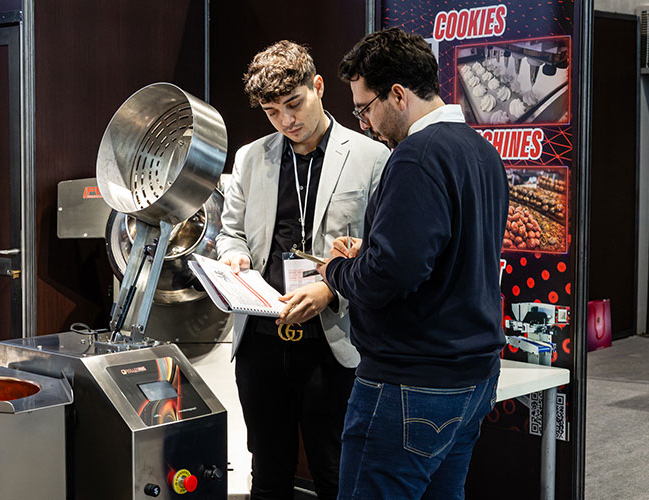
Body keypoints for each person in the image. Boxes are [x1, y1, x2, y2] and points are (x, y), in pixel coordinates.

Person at [316, 28, 509, 499]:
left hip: (409, 383)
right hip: (473, 378)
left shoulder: (415, 156)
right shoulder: (481, 151)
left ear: (398, 95)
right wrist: (374, 248)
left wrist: (335, 271)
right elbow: (444, 252)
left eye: (365, 108)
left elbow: (389, 276)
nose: (365, 123)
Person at [216, 40, 390, 500]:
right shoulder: (251, 157)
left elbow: (381, 251)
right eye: (272, 112)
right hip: (260, 339)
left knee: (335, 471)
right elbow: (229, 232)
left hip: (332, 341)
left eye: (294, 104)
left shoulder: (371, 157)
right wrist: (233, 256)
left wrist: (332, 292)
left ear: (318, 86)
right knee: (267, 470)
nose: (286, 120)